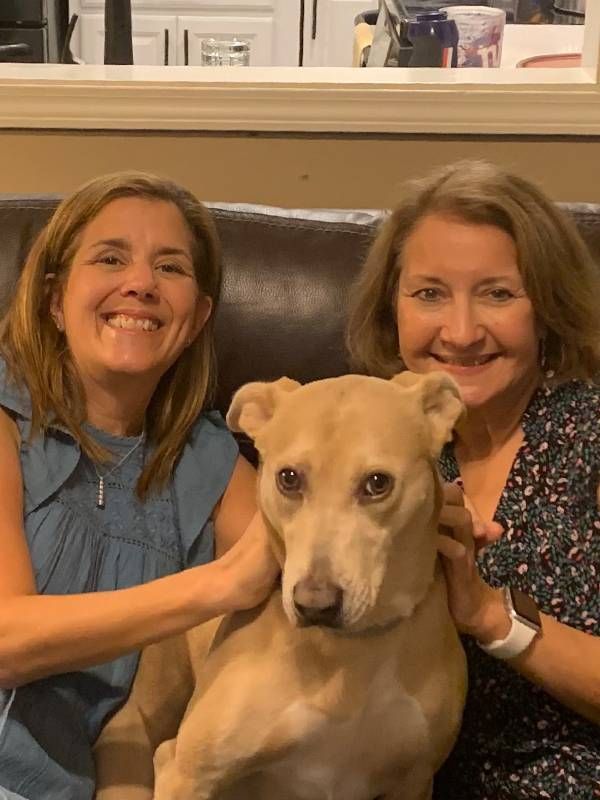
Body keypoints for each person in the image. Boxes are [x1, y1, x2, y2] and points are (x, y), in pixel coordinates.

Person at [0, 172, 279, 800]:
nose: (141, 285)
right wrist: (217, 585)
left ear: (198, 314)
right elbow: (5, 640)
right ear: (54, 298)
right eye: (109, 258)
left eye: (171, 268)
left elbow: (312, 559)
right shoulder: (4, 416)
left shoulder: (208, 465)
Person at [346, 160, 600, 799]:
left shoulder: (588, 435)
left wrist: (491, 616)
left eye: (498, 293)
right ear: (392, 307)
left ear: (548, 307)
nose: (460, 333)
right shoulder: (375, 446)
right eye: (430, 293)